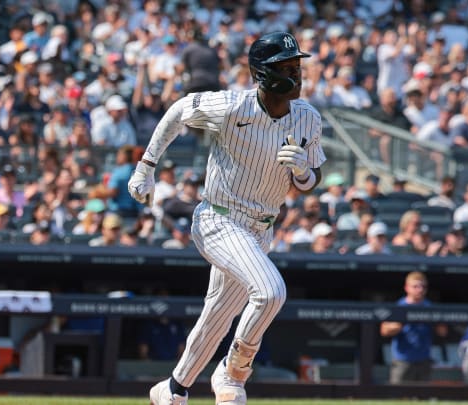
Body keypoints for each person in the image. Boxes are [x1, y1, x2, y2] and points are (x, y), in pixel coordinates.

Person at [128, 31, 325, 405]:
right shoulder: (232, 107)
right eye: (286, 67)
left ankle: (173, 388)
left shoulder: (307, 118)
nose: (297, 75)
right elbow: (179, 110)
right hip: (219, 218)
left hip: (262, 228)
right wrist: (147, 165)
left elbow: (312, 179)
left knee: (217, 316)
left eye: (298, 66)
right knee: (270, 292)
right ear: (263, 73)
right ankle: (233, 370)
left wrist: (303, 174)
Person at [380, 271, 446, 383]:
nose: (420, 290)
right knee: (398, 398)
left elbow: (443, 332)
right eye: (415, 286)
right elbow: (384, 331)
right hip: (402, 361)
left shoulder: (430, 307)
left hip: (424, 360)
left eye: (423, 287)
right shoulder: (399, 306)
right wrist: (400, 324)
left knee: (423, 397)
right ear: (406, 287)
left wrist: (438, 322)